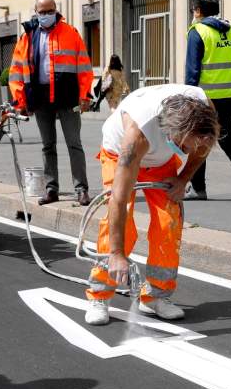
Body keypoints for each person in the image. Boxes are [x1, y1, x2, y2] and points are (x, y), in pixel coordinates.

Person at [84, 84, 219, 326]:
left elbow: (202, 148)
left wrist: (182, 179)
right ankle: (100, 295)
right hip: (120, 155)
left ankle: (155, 297)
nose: (190, 152)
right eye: (186, 147)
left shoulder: (204, 112)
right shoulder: (138, 133)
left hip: (160, 160)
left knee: (169, 222)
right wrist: (116, 254)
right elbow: (118, 199)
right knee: (122, 223)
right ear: (171, 131)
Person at [8, 0, 94, 206]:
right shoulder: (28, 36)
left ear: (56, 11)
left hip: (68, 97)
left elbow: (84, 66)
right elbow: (17, 71)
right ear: (36, 13)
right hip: (41, 98)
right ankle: (51, 189)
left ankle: (81, 189)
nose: (46, 15)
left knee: (74, 144)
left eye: (50, 11)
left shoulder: (70, 33)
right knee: (48, 146)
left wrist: (85, 95)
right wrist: (20, 101)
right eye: (42, 12)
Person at [183, 0, 231, 202]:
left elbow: (192, 71)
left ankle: (198, 189)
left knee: (198, 139)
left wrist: (188, 100)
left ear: (197, 11)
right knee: (225, 138)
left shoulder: (197, 31)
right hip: (230, 95)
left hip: (205, 97)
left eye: (193, 10)